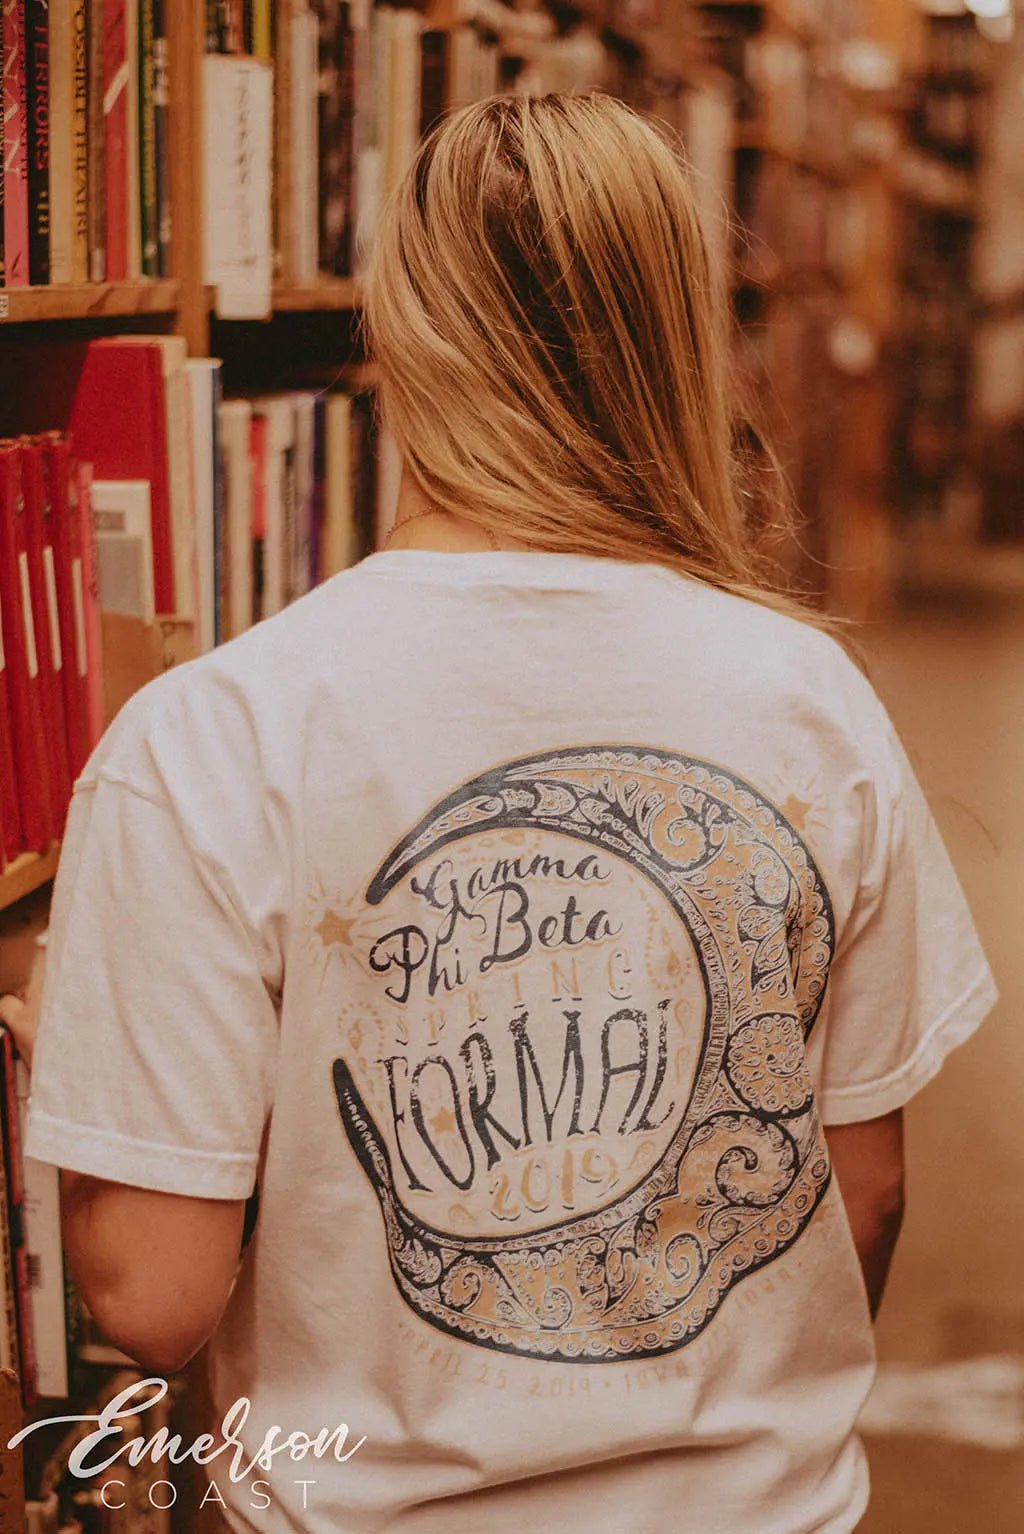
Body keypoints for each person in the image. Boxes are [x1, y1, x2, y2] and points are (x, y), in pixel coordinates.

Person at [2, 92, 997, 1533]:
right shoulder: (810, 700)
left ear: (398, 334)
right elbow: (864, 1195)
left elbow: (154, 1297)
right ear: (684, 338)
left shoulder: (210, 733)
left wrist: (88, 1073)